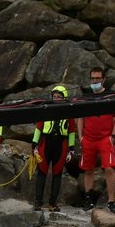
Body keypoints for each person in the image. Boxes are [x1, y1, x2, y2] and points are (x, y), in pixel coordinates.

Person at [79, 69, 115, 211]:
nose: (95, 81)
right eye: (92, 78)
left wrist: (113, 135)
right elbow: (79, 117)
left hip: (104, 138)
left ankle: (111, 201)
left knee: (109, 168)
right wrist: (80, 136)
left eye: (97, 78)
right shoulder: (86, 97)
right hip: (88, 138)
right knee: (88, 169)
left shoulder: (111, 95)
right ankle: (88, 199)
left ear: (103, 79)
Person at [32, 84, 76, 213]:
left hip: (60, 144)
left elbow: (71, 132)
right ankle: (38, 202)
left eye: (59, 97)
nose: (56, 99)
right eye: (54, 96)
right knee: (42, 172)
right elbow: (39, 128)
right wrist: (34, 145)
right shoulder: (46, 109)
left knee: (57, 173)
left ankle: (53, 203)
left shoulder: (69, 112)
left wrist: (71, 149)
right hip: (45, 142)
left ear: (64, 98)